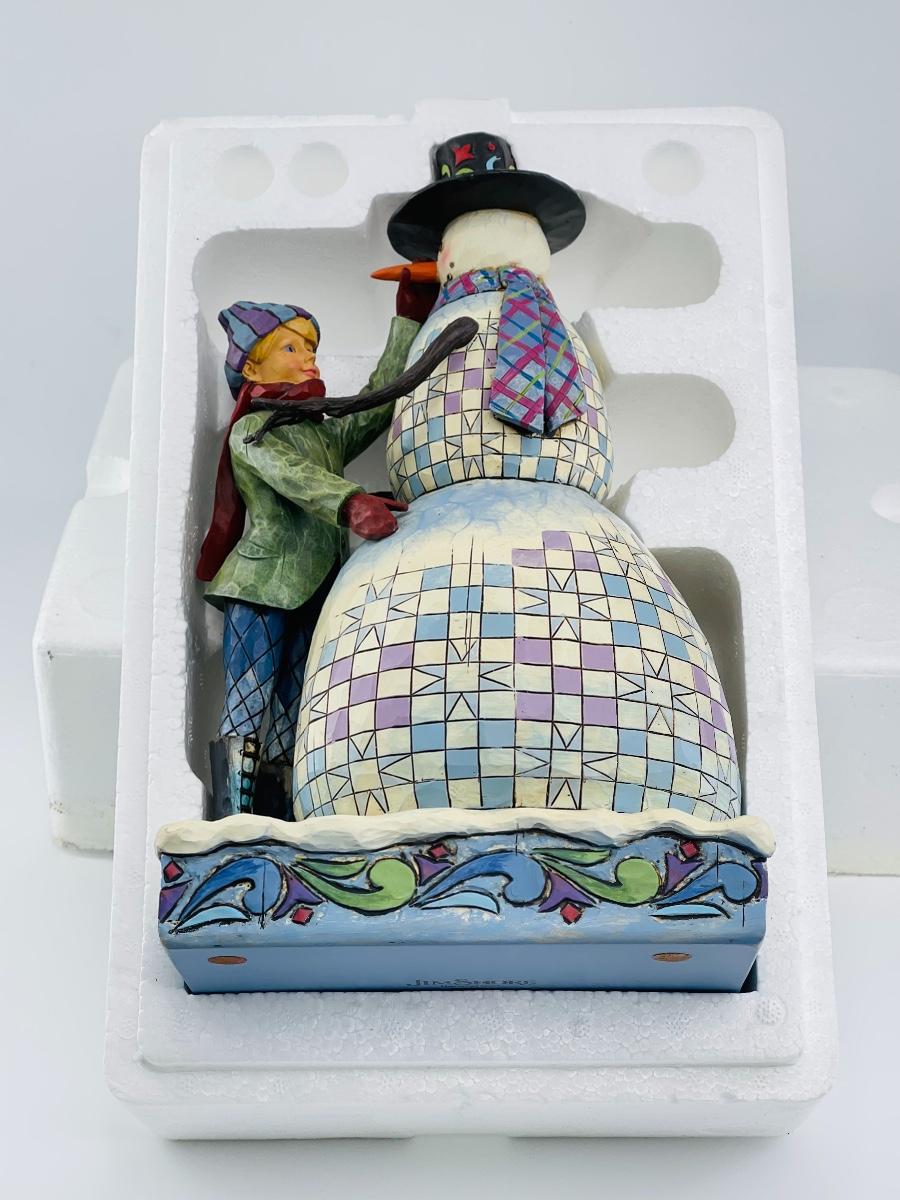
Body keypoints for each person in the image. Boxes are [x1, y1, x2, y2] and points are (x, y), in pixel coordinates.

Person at [196, 274, 435, 819]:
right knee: (248, 699)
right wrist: (351, 502)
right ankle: (232, 818)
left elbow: (376, 406)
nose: (308, 358)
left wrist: (407, 321)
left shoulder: (321, 430)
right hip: (260, 587)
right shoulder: (254, 431)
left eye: (310, 348)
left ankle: (280, 819)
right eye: (291, 347)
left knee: (296, 704)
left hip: (318, 588)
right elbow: (293, 474)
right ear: (251, 369)